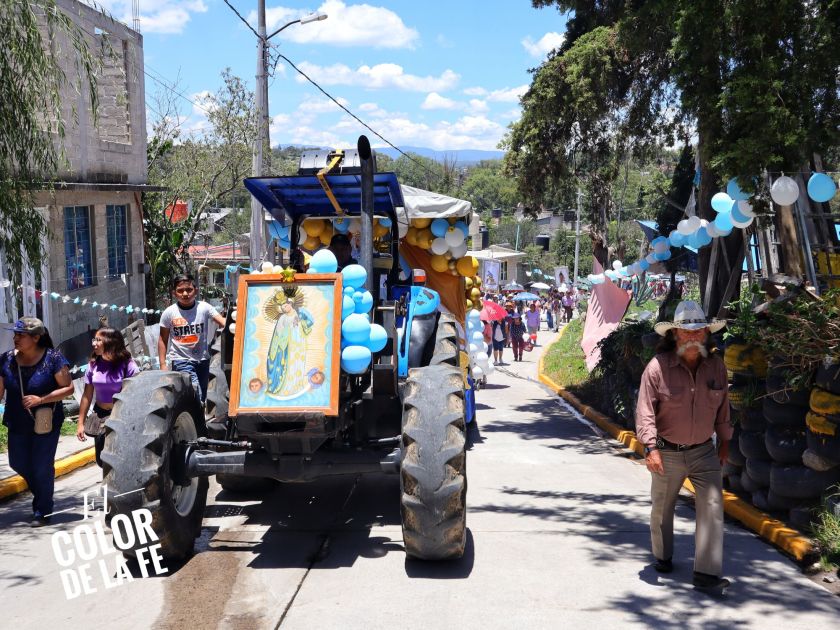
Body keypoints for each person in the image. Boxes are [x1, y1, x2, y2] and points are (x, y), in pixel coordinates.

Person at [635, 300, 731, 593]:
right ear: (674, 334)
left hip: (704, 451)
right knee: (662, 508)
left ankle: (706, 575)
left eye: (698, 331)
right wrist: (650, 448)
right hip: (666, 451)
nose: (692, 337)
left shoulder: (716, 366)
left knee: (713, 505)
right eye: (686, 331)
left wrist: (725, 440)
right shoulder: (657, 368)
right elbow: (645, 411)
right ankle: (663, 555)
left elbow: (724, 409)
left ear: (706, 334)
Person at [0, 318, 72, 526]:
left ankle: (43, 509)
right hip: (16, 421)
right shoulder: (6, 360)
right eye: (15, 334)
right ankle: (43, 493)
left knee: (41, 466)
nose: (15, 338)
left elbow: (68, 389)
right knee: (17, 463)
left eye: (20, 335)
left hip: (45, 422)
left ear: (36, 337)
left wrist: (41, 399)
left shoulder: (53, 358)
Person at [76, 328, 139, 467]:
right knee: (102, 460)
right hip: (101, 416)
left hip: (122, 415)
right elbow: (87, 395)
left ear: (111, 342)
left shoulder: (128, 365)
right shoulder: (93, 365)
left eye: (98, 340)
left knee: (120, 459)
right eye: (94, 339)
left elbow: (136, 393)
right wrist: (80, 423)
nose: (94, 343)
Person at [158, 274, 226, 403]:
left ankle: (199, 415)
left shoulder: (204, 308)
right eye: (180, 290)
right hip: (181, 360)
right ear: (174, 293)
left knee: (202, 395)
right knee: (195, 393)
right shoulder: (169, 313)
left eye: (189, 290)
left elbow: (222, 322)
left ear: (196, 291)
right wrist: (163, 364)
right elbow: (162, 339)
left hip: (203, 359)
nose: (185, 294)